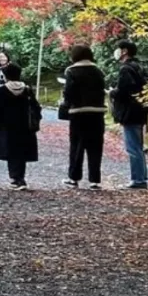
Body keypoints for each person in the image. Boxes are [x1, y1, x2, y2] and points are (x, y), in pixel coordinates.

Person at [61, 44, 106, 190]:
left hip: (78, 112)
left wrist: (66, 105)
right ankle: (94, 180)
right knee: (95, 146)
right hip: (97, 112)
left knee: (77, 146)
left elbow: (69, 92)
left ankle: (74, 178)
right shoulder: (98, 70)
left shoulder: (71, 71)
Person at [0, 61, 41, 190]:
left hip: (8, 126)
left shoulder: (2, 89)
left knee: (11, 152)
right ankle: (21, 177)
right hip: (25, 126)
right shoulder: (27, 89)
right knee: (22, 152)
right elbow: (36, 107)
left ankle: (15, 178)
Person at [111, 40, 148, 190]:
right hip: (140, 110)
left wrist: (113, 92)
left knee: (133, 147)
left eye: (119, 49)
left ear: (124, 51)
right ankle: (141, 176)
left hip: (130, 112)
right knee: (138, 146)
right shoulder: (140, 67)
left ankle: (138, 179)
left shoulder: (126, 69)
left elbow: (123, 90)